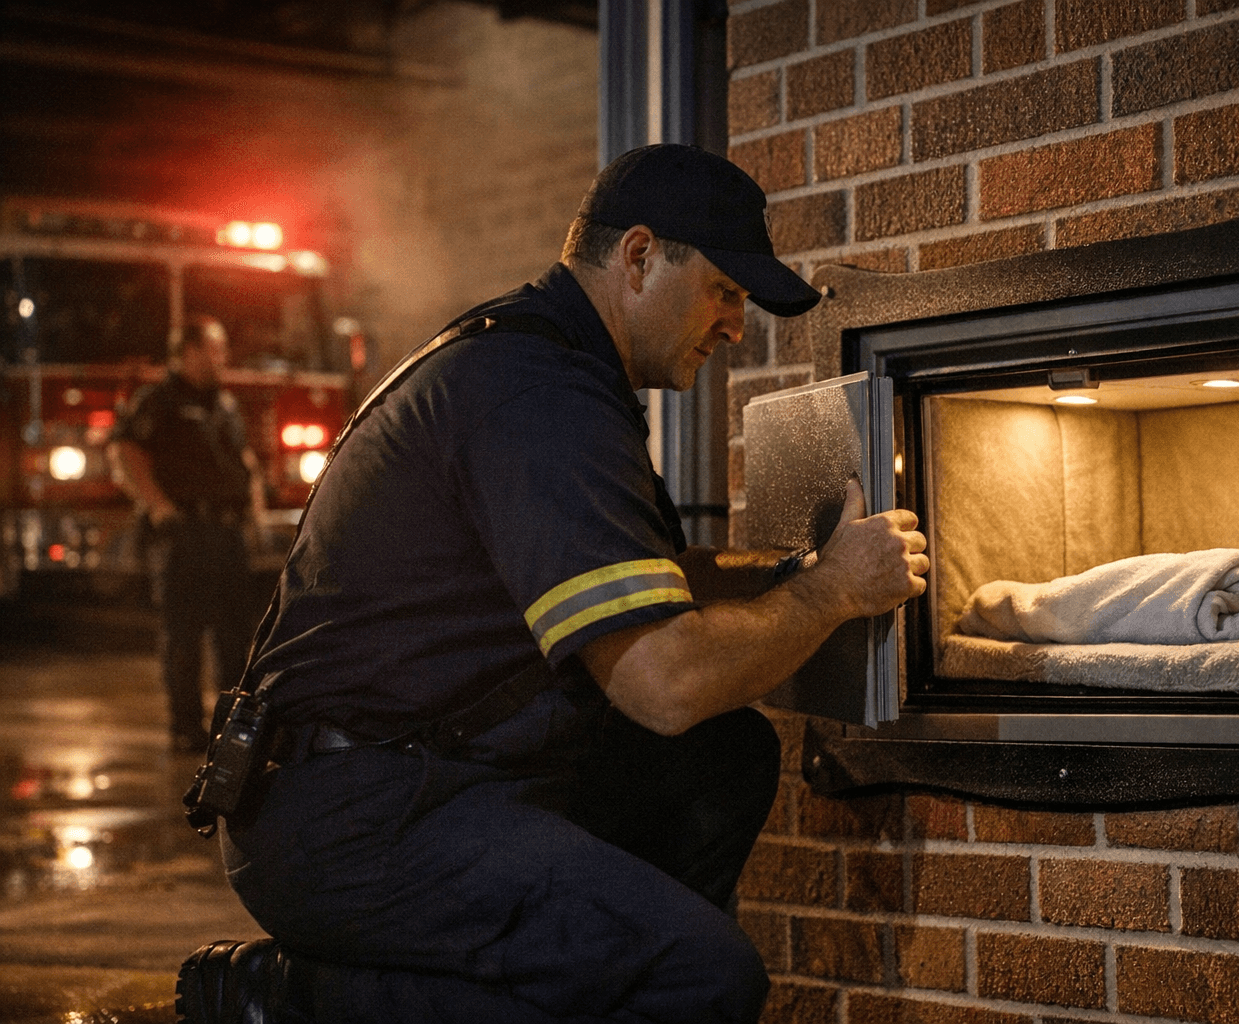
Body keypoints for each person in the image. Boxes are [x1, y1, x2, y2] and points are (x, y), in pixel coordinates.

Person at [175, 144, 928, 1024]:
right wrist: (829, 592)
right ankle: (297, 1000)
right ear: (640, 257)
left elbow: (641, 608)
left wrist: (785, 580)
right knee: (699, 976)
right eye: (725, 291)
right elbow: (664, 683)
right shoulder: (539, 393)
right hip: (356, 814)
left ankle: (579, 972)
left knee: (721, 760)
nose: (736, 325)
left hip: (420, 772)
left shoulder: (547, 365)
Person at [108, 316, 265, 754]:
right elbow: (125, 449)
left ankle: (230, 731)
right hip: (184, 533)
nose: (223, 358)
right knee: (184, 636)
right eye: (215, 349)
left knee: (235, 636)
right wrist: (159, 507)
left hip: (226, 532)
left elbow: (243, 458)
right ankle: (185, 729)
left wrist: (255, 511)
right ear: (189, 352)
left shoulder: (224, 403)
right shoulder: (159, 401)